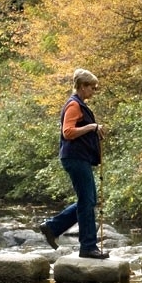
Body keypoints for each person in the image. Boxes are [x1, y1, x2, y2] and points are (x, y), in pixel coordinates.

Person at [38, 69, 108, 259]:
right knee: (87, 200)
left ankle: (52, 227)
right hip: (74, 158)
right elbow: (67, 132)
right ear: (82, 86)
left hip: (78, 158)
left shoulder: (79, 104)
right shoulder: (74, 105)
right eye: (92, 88)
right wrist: (92, 127)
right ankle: (88, 247)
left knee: (89, 198)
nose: (93, 91)